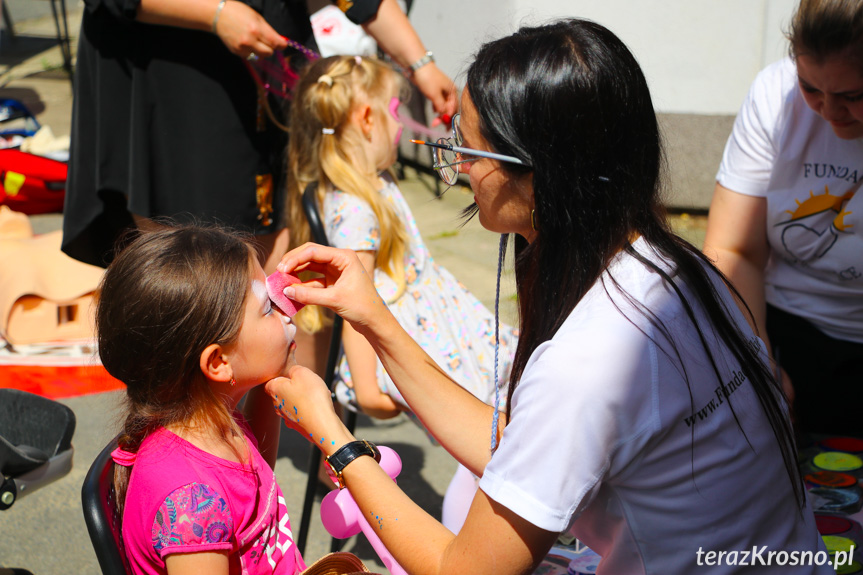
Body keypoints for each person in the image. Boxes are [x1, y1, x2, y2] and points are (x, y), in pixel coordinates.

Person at [264, 19, 830, 574]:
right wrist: (375, 319)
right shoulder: (681, 269)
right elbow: (517, 448)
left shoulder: (588, 359)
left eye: (469, 147)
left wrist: (333, 437)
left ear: (539, 173)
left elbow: (463, 568)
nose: (458, 164)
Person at [286, 54, 517, 533]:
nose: (400, 121)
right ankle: (471, 546)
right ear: (367, 118)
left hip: (433, 316)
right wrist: (367, 389)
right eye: (394, 109)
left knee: (499, 421)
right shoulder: (354, 208)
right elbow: (356, 303)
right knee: (485, 447)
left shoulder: (371, 181)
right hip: (410, 335)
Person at [62, 0, 457, 275]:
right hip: (166, 83)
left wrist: (421, 64)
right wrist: (216, 13)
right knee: (188, 265)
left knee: (274, 254)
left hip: (268, 76)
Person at [96, 224, 306, 574]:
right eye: (269, 308)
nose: (288, 311)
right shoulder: (191, 505)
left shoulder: (218, 421)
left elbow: (257, 486)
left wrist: (278, 381)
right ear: (218, 362)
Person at [703, 0, 863, 436]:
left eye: (853, 96)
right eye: (811, 88)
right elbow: (733, 249)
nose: (829, 112)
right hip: (787, 327)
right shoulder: (775, 96)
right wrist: (757, 358)